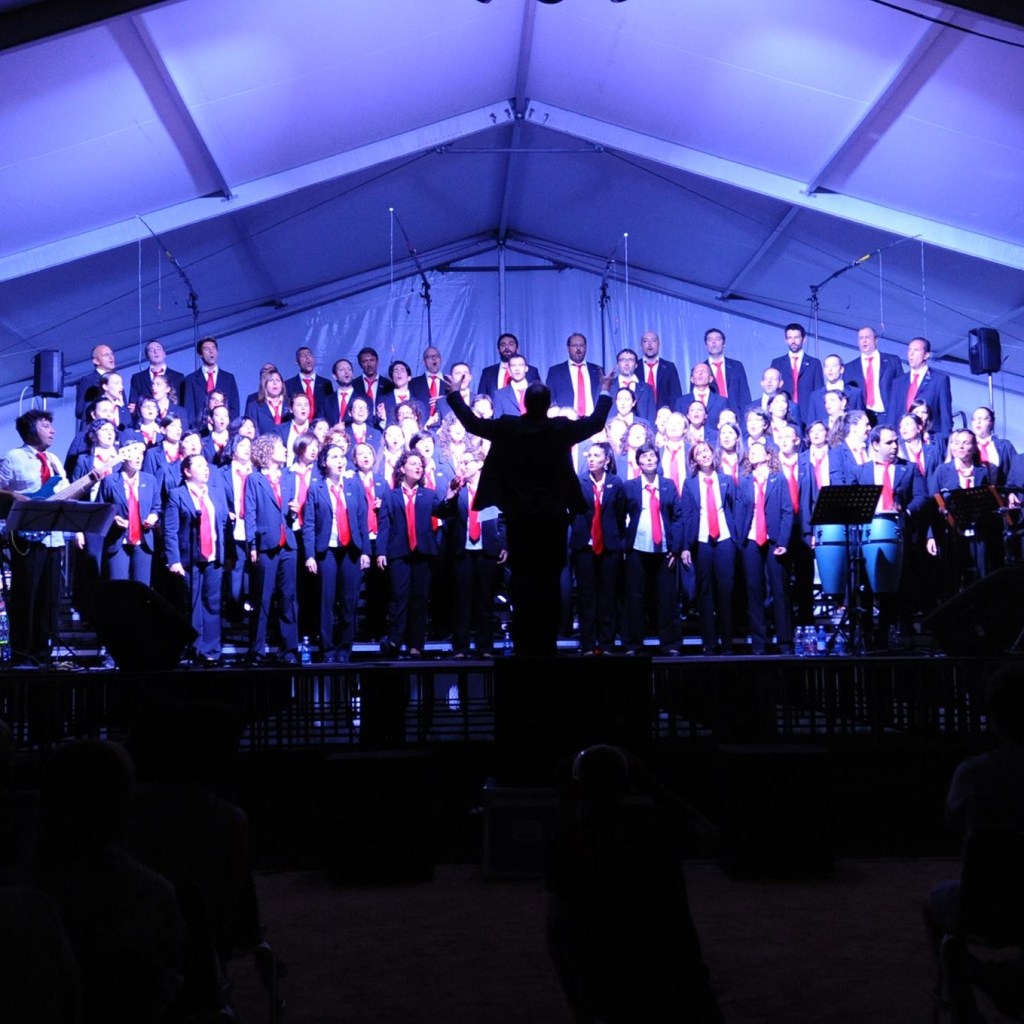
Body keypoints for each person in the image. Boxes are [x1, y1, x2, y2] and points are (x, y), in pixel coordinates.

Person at [545, 744, 724, 1023]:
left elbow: (557, 928)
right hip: (678, 973)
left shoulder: (574, 845)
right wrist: (652, 785)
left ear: (578, 788)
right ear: (627, 783)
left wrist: (565, 801)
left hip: (612, 984)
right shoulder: (657, 831)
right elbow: (710, 837)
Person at [443, 367, 615, 656]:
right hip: (553, 518)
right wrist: (605, 389)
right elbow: (597, 423)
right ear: (548, 405)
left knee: (522, 580)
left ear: (524, 403)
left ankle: (525, 646)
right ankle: (546, 644)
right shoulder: (559, 428)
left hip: (520, 517)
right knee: (548, 580)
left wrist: (454, 395)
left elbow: (472, 424)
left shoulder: (510, 427)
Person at [0, 411, 89, 664]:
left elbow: (67, 494)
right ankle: (21, 653)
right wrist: (13, 496)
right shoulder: (13, 457)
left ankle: (43, 651)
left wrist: (90, 481)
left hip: (54, 537)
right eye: (46, 425)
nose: (53, 431)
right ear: (30, 429)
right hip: (27, 537)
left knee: (49, 600)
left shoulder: (54, 461)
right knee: (26, 596)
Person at [375, 450, 460, 658]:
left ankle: (416, 644)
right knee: (399, 596)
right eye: (413, 463)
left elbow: (441, 511)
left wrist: (449, 497)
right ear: (402, 469)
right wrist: (381, 551)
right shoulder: (390, 495)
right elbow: (384, 525)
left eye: (420, 464)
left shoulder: (428, 494)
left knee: (420, 598)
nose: (418, 467)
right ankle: (395, 639)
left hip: (423, 552)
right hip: (398, 552)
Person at [302, 442, 370, 662]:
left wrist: (366, 551)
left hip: (350, 550)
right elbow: (309, 524)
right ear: (324, 462)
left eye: (342, 457)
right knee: (327, 601)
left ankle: (344, 649)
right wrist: (310, 555)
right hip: (327, 551)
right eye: (334, 457)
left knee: (349, 601)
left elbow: (362, 519)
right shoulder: (316, 488)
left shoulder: (354, 484)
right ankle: (328, 650)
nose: (340, 461)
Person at [164, 454, 230, 665]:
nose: (205, 469)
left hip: (213, 557)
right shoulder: (177, 495)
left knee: (212, 603)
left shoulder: (217, 494)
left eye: (206, 465)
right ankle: (194, 647)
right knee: (192, 604)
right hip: (188, 558)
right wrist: (173, 559)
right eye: (199, 465)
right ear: (187, 471)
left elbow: (222, 525)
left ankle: (211, 650)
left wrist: (226, 554)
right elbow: (171, 530)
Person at [446, 447, 507, 658]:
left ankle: (485, 647)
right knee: (462, 601)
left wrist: (503, 544)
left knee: (484, 601)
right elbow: (444, 515)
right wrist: (450, 496)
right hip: (463, 551)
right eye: (461, 463)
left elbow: (502, 519)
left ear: (479, 464)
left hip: (486, 549)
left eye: (467, 462)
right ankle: (460, 648)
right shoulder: (458, 489)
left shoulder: (492, 489)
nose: (462, 466)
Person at [244, 434, 300, 664]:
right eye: (280, 448)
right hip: (266, 544)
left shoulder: (289, 477)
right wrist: (252, 545)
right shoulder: (254, 479)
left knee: (288, 598)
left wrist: (295, 512)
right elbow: (249, 513)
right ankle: (257, 651)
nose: (285, 451)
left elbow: (289, 512)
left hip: (288, 545)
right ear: (267, 452)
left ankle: (289, 650)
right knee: (263, 598)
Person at [680, 440, 739, 655]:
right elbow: (686, 515)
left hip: (725, 539)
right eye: (699, 453)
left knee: (726, 591)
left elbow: (735, 508)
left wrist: (736, 538)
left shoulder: (725, 480)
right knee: (705, 593)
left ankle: (728, 643)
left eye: (706, 451)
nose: (704, 455)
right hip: (702, 541)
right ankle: (710, 643)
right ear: (694, 460)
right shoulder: (690, 483)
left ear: (713, 454)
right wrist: (686, 545)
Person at [623, 442, 682, 655]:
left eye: (652, 456)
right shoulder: (629, 486)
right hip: (637, 548)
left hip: (664, 549)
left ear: (658, 460)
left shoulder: (668, 484)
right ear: (638, 462)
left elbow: (677, 516)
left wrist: (675, 548)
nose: (649, 460)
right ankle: (633, 644)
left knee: (667, 598)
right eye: (644, 457)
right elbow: (620, 516)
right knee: (635, 597)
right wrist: (623, 546)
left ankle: (671, 644)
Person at [569, 442, 627, 656]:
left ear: (607, 460)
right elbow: (573, 510)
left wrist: (616, 537)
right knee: (586, 596)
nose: (591, 459)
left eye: (596, 455)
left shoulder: (616, 483)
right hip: (584, 545)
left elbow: (620, 514)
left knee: (607, 596)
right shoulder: (579, 481)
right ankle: (587, 644)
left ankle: (606, 643)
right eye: (589, 455)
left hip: (609, 546)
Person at [736, 440, 793, 655]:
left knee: (779, 591)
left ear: (768, 456)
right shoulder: (744, 481)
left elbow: (787, 511)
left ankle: (785, 642)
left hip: (773, 541)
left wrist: (783, 542)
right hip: (750, 540)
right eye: (751, 451)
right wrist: (739, 539)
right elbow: (738, 511)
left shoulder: (779, 479)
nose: (753, 454)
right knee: (753, 591)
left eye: (758, 450)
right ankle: (759, 643)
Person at [96, 441, 160, 585]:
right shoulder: (110, 481)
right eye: (134, 454)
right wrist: (114, 519)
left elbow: (157, 506)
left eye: (141, 454)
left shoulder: (150, 480)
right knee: (119, 588)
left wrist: (153, 516)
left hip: (143, 541)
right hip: (118, 540)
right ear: (123, 457)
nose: (139, 458)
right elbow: (101, 509)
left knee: (142, 588)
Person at [887, 336, 952, 443]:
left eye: (916, 350)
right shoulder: (898, 382)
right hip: (902, 441)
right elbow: (892, 415)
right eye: (909, 350)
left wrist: (945, 442)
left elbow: (945, 417)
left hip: (928, 441)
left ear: (926, 355)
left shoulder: (939, 380)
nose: (911, 354)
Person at [843, 326, 903, 424]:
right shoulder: (849, 368)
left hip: (888, 417)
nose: (864, 341)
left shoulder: (892, 361)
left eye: (868, 337)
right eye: (861, 338)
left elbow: (901, 389)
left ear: (876, 340)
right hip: (863, 420)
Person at [769, 323, 823, 424]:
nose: (793, 341)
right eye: (790, 338)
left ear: (804, 339)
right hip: (784, 413)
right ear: (786, 340)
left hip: (808, 415)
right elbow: (773, 391)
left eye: (796, 337)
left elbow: (819, 391)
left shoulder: (814, 363)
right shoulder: (777, 363)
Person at [183, 337, 240, 427]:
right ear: (200, 354)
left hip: (225, 430)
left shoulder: (229, 378)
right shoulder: (191, 379)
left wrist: (229, 426)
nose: (211, 351)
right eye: (206, 349)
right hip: (200, 430)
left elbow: (234, 407)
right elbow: (189, 409)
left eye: (213, 348)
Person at [545, 332, 603, 416]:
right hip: (566, 422)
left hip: (592, 421)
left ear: (586, 348)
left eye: (581, 345)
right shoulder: (555, 371)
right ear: (568, 348)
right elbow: (549, 399)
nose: (578, 349)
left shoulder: (597, 370)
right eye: (574, 346)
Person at [127, 339, 185, 414]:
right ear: (147, 356)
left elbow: (183, 403)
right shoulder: (138, 378)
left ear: (164, 354)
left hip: (172, 419)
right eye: (151, 350)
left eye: (159, 349)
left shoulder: (178, 377)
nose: (156, 352)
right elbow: (133, 405)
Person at [703, 326, 751, 415]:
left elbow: (744, 394)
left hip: (735, 414)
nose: (714, 342)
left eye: (717, 339)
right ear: (706, 345)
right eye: (710, 340)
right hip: (711, 416)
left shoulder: (736, 366)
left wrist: (746, 415)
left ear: (724, 344)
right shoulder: (700, 369)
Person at [806, 352, 865, 425]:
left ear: (841, 369)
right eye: (826, 366)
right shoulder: (815, 396)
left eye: (834, 366)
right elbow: (811, 424)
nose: (830, 369)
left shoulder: (855, 393)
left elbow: (862, 421)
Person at [478, 332, 540, 398]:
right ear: (498, 350)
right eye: (503, 345)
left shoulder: (532, 371)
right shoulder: (487, 373)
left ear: (517, 348)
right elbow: (481, 398)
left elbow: (540, 395)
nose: (507, 348)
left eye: (511, 344)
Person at [284, 345, 332, 421]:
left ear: (314, 359)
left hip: (321, 428)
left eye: (309, 354)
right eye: (303, 356)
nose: (307, 357)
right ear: (297, 362)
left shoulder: (326, 384)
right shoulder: (288, 385)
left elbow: (329, 408)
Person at [639, 330, 683, 411]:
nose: (649, 343)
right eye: (645, 341)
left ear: (659, 345)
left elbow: (676, 395)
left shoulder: (669, 367)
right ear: (641, 346)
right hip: (640, 416)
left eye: (653, 340)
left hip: (665, 415)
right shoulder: (635, 367)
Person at [74, 343, 117, 423]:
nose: (111, 357)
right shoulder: (88, 380)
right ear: (96, 361)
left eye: (111, 353)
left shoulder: (116, 380)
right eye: (106, 355)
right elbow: (79, 411)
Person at [612, 348, 657, 423]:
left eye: (630, 360)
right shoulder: (607, 387)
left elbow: (651, 416)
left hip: (640, 432)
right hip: (613, 431)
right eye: (622, 360)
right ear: (617, 364)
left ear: (636, 365)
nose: (626, 363)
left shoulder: (646, 388)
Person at [244, 367, 291, 435]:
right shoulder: (254, 407)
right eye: (271, 380)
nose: (275, 383)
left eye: (278, 380)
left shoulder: (290, 404)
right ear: (264, 385)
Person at [410, 345, 446, 427]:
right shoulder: (413, 383)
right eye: (429, 356)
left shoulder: (450, 382)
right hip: (422, 427)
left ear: (441, 360)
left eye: (436, 356)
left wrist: (443, 400)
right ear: (424, 362)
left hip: (445, 427)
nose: (434, 358)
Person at [492, 353, 533, 418]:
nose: (517, 369)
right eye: (513, 365)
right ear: (509, 370)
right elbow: (497, 422)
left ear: (526, 368)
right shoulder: (499, 395)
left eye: (521, 365)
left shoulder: (537, 392)